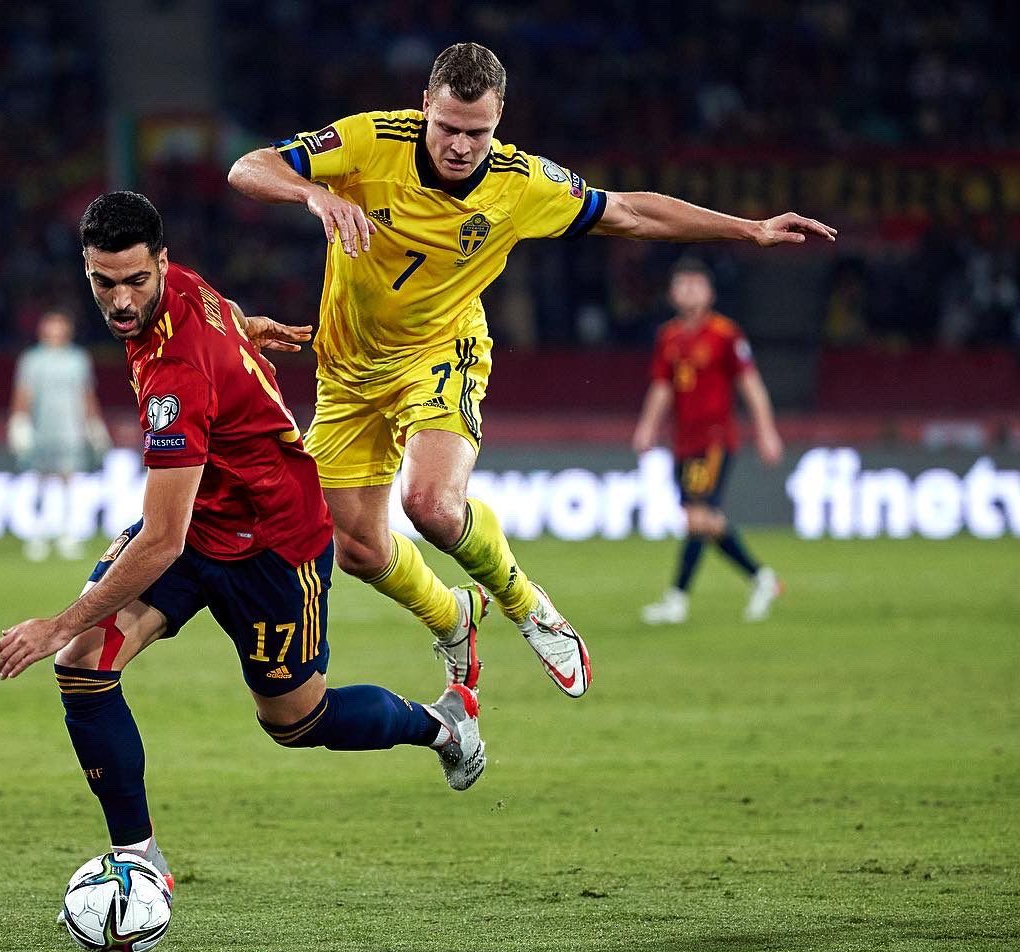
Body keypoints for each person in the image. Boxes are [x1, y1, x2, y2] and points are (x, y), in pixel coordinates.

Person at [227, 42, 835, 696]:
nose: (461, 146)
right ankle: (451, 616)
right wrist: (313, 196)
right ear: (425, 105)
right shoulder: (368, 139)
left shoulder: (521, 184)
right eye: (449, 127)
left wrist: (751, 231)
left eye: (478, 132)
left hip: (440, 353)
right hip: (346, 371)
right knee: (359, 552)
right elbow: (247, 167)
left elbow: (629, 212)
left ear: (500, 120)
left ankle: (525, 605)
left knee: (429, 503)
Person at [0, 191, 485, 892]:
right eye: (105, 282)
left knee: (294, 721)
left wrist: (57, 621)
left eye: (135, 280)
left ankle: (443, 725)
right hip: (199, 525)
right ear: (87, 268)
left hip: (274, 547)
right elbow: (175, 520)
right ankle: (139, 859)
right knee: (83, 665)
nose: (121, 301)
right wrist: (244, 331)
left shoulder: (175, 376)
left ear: (160, 262)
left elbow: (159, 540)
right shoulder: (184, 288)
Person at [632, 259, 784, 624]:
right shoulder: (668, 336)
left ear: (710, 293)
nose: (688, 291)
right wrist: (647, 426)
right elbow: (662, 386)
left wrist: (766, 431)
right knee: (702, 519)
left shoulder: (725, 334)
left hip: (715, 439)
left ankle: (677, 598)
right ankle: (762, 578)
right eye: (682, 285)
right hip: (682, 441)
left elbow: (751, 385)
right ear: (671, 293)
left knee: (697, 517)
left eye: (695, 285)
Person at [8, 309, 111, 561]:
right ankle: (37, 534)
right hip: (42, 429)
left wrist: (95, 424)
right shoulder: (32, 360)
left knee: (70, 483)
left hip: (71, 431)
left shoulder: (77, 359)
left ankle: (68, 534)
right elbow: (23, 393)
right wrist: (19, 422)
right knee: (40, 482)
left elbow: (86, 394)